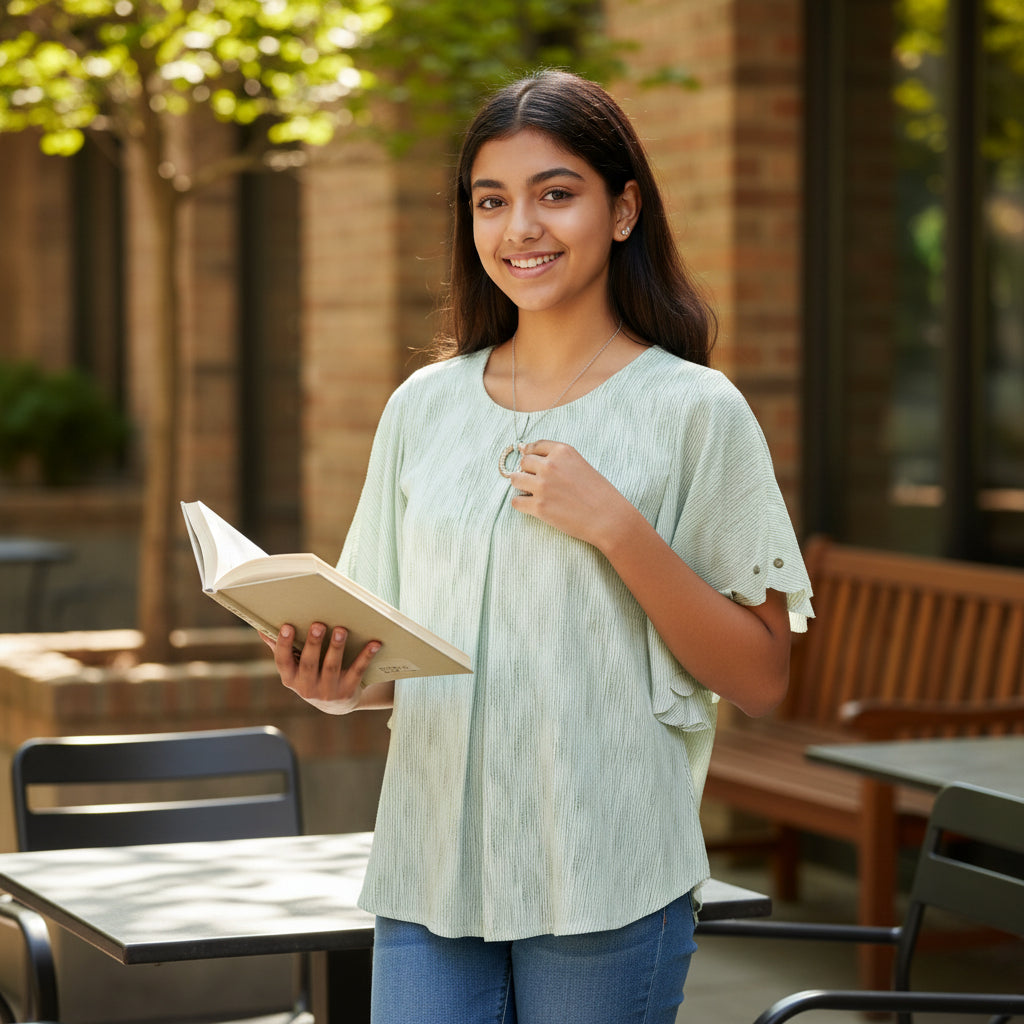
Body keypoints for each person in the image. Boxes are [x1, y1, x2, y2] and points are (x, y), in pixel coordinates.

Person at [268, 69, 813, 1024]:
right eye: (492, 201)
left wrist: (616, 527)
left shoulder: (694, 411)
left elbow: (764, 679)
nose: (519, 227)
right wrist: (337, 677)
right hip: (430, 864)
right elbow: (394, 650)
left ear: (623, 210)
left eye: (555, 194)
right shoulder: (423, 408)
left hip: (606, 869)